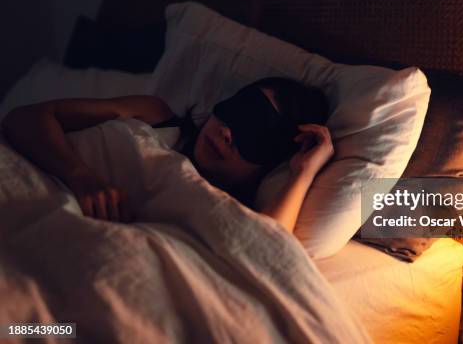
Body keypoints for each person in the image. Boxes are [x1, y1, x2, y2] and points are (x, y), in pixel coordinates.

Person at [1, 77, 333, 233]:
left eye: (257, 137)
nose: (228, 133)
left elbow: (268, 246)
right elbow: (24, 118)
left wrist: (303, 173)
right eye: (240, 112)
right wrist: (80, 176)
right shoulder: (155, 115)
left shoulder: (226, 212)